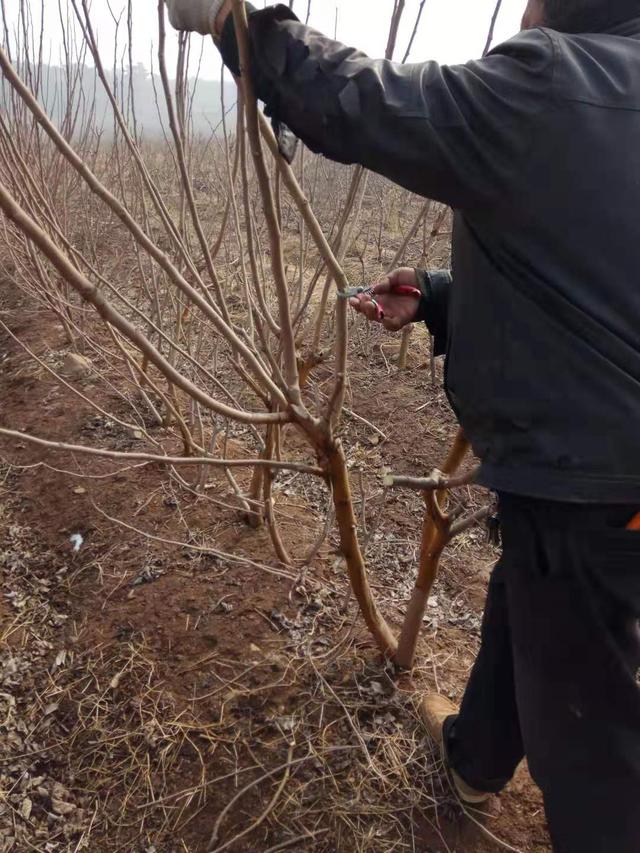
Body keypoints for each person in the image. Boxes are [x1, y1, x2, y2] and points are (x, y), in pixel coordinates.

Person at [166, 1, 640, 850]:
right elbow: (603, 280)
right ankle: (477, 759)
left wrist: (241, 25)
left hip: (595, 487)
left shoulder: (553, 83)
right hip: (601, 489)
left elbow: (368, 101)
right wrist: (443, 298)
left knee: (593, 745)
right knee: (534, 599)